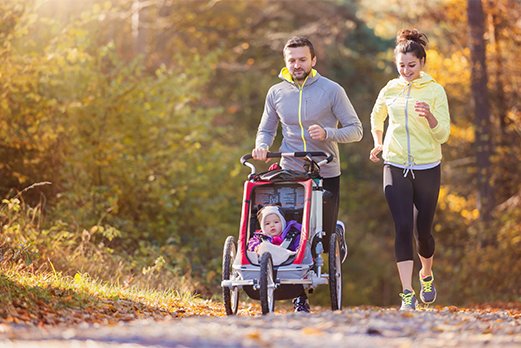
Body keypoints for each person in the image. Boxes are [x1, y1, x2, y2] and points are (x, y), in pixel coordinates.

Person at [252, 36, 363, 312]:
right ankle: (300, 297)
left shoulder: (331, 90)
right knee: (293, 234)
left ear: (313, 61)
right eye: (291, 60)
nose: (297, 65)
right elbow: (266, 129)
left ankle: (334, 230)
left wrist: (329, 133)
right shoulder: (276, 92)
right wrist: (262, 146)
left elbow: (356, 130)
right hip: (291, 171)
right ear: (285, 62)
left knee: (322, 240)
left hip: (325, 169)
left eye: (302, 59)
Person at [369, 29, 451, 310]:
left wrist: (429, 116)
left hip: (428, 167)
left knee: (422, 233)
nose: (406, 71)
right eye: (401, 65)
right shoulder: (390, 88)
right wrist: (378, 142)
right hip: (395, 163)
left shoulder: (435, 90)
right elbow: (376, 115)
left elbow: (444, 136)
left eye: (411, 65)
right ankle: (407, 293)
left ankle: (426, 274)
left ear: (422, 63)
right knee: (402, 226)